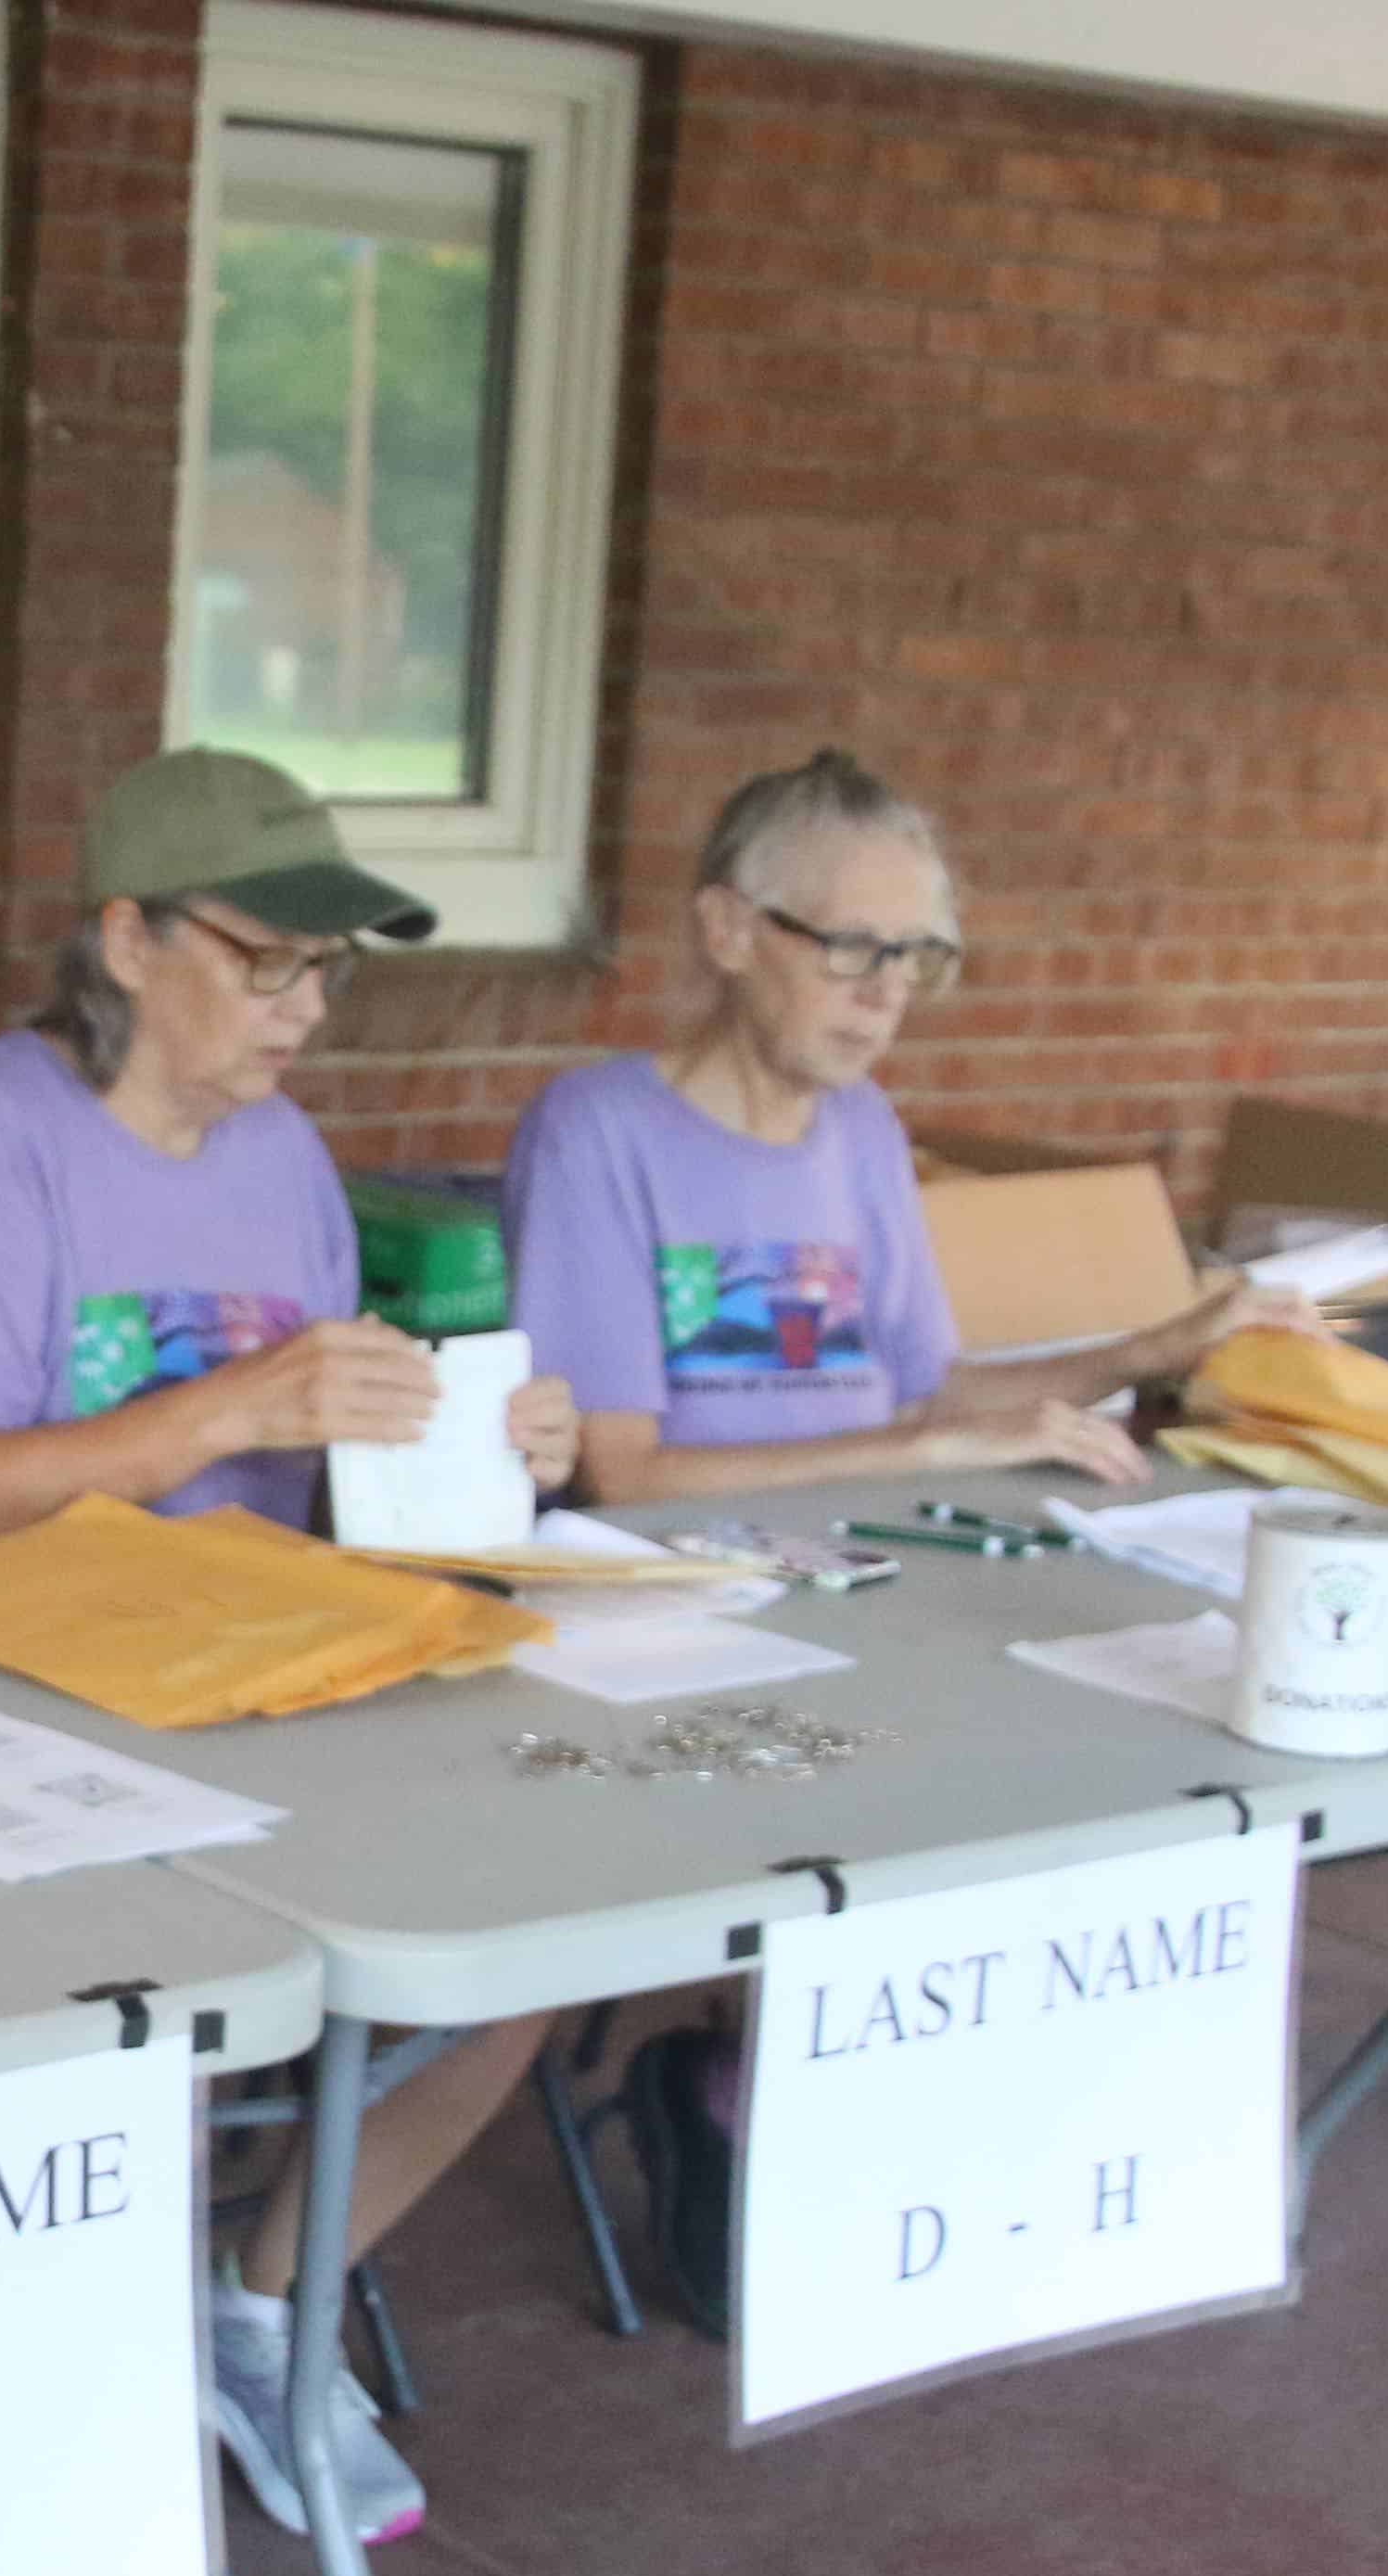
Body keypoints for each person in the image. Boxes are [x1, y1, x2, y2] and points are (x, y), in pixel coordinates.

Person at [0, 745, 582, 2548]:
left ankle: (257, 2298)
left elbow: (307, 1477)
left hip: (199, 1669)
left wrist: (485, 1439)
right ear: (128, 940)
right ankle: (27, 2366)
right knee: (151, 1974)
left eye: (330, 971)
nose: (304, 1008)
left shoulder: (282, 1152)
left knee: (516, 1939)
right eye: (269, 959)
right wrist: (233, 1401)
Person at [503, 746, 1317, 2332]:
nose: (887, 995)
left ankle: (921, 2126)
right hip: (684, 1608)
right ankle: (741, 2095)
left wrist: (1159, 1342)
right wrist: (932, 1441)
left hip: (866, 1570)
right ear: (729, 930)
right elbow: (617, 1477)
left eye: (919, 957)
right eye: (853, 947)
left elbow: (933, 1389)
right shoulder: (596, 1130)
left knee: (1105, 1725)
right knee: (908, 1766)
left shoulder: (861, 1131)